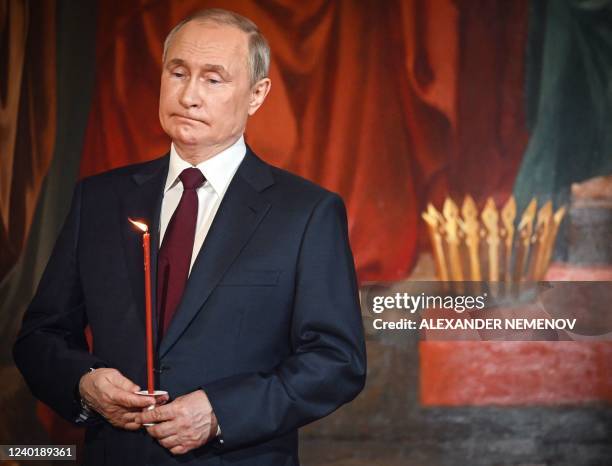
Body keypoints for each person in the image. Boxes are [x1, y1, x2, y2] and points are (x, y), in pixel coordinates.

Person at [12, 8, 366, 466]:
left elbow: (337, 362)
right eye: (178, 73)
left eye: (214, 79)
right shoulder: (99, 200)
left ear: (257, 95)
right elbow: (40, 336)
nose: (189, 95)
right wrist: (84, 383)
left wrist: (221, 413)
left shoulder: (307, 212)